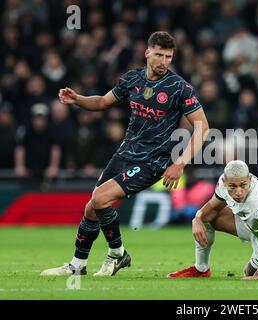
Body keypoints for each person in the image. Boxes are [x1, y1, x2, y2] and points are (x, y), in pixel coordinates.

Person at [41, 31, 209, 276]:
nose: (163, 61)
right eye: (159, 55)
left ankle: (117, 254)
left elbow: (202, 127)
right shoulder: (132, 79)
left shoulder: (179, 87)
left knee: (100, 200)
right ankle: (79, 265)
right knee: (92, 207)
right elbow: (101, 103)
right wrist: (78, 99)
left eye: (169, 57)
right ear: (147, 52)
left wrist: (180, 163)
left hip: (152, 161)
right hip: (124, 153)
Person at [168, 160, 258, 280]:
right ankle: (201, 269)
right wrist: (197, 219)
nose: (238, 192)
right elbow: (211, 210)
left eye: (243, 185)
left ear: (250, 180)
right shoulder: (223, 183)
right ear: (225, 182)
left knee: (249, 272)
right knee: (207, 219)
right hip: (255, 226)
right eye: (232, 186)